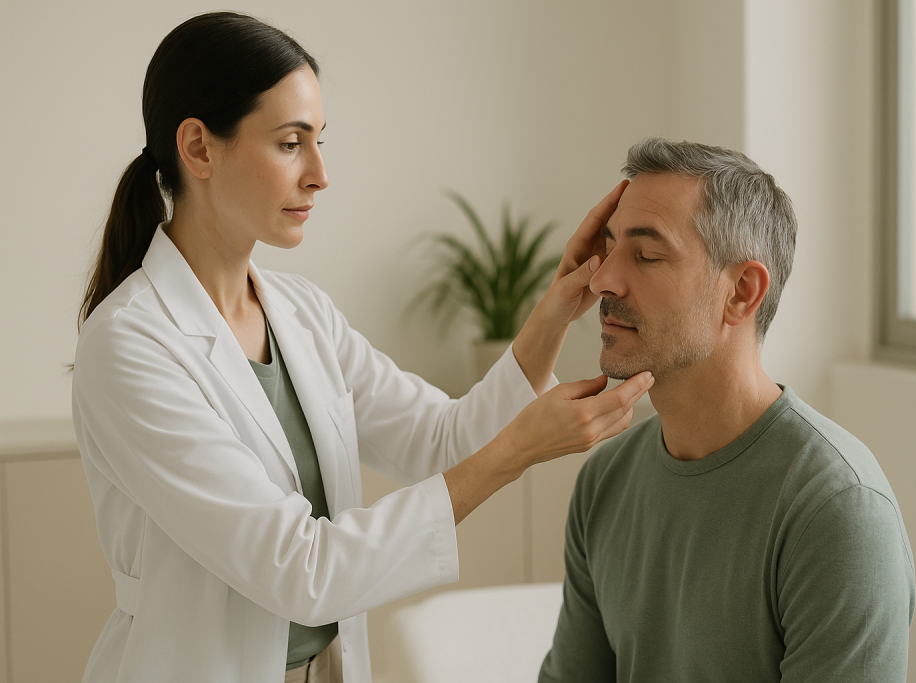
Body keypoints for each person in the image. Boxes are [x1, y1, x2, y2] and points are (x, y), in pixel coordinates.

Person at [72, 12, 653, 683]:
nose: (320, 174)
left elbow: (441, 439)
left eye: (319, 142)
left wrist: (554, 312)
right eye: (291, 144)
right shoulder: (129, 346)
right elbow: (300, 568)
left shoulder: (302, 314)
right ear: (198, 148)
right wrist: (518, 448)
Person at [538, 138, 916, 682]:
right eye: (611, 248)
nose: (601, 281)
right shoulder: (606, 479)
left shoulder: (839, 511)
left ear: (741, 291)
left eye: (646, 255)